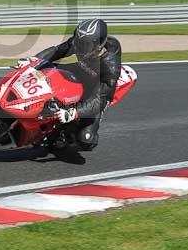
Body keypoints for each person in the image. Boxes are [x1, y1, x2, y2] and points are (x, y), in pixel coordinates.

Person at [16, 18, 121, 151]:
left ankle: (67, 133)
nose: (79, 48)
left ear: (98, 45)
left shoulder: (110, 67)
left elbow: (100, 99)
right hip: (81, 71)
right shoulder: (81, 42)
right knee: (45, 68)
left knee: (86, 140)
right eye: (78, 43)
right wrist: (34, 60)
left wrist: (75, 113)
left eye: (85, 46)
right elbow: (59, 50)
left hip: (97, 91)